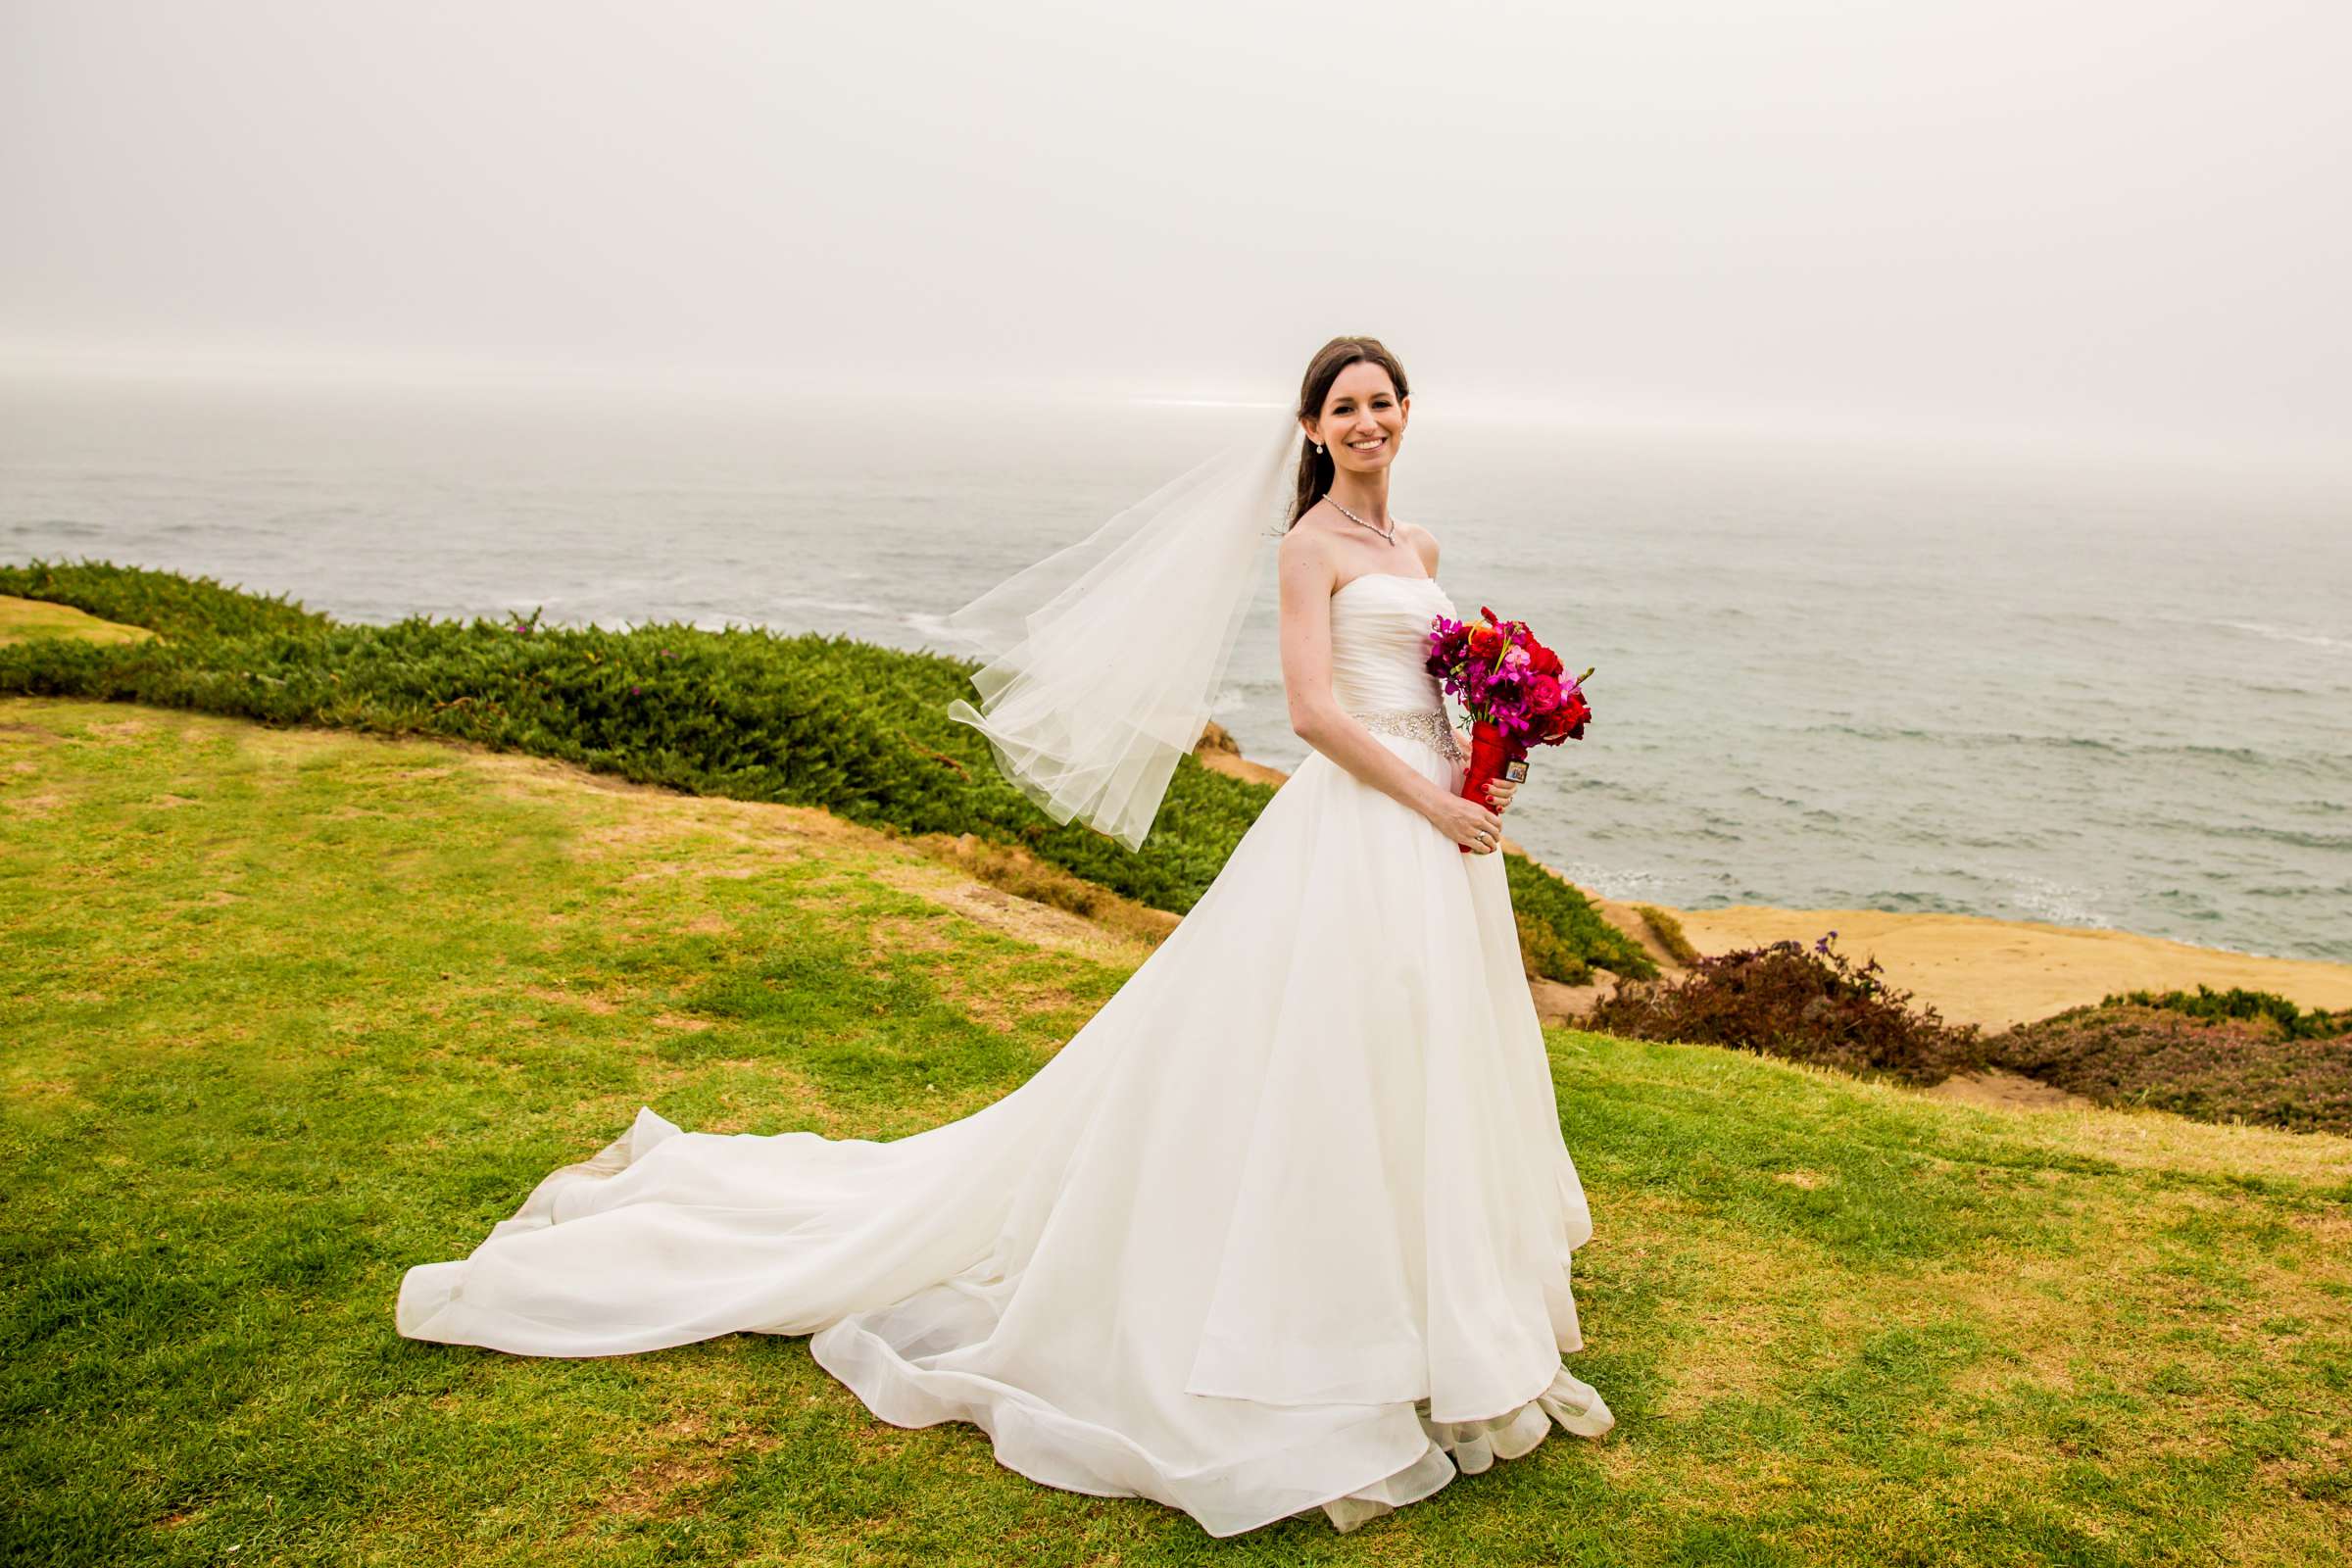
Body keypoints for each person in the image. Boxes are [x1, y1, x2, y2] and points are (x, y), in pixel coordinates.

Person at [395, 335, 1614, 1537]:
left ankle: (1429, 1296)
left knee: (1420, 1052)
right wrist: (1426, 793)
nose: (1365, 422)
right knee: (1328, 1054)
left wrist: (1483, 762)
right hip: (1367, 821)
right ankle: (1323, 1314)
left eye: (1381, 403)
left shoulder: (1420, 547)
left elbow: (1435, 690)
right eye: (1342, 406)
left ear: (1408, 413)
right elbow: (1308, 710)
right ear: (1311, 428)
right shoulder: (1307, 547)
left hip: (1439, 829)